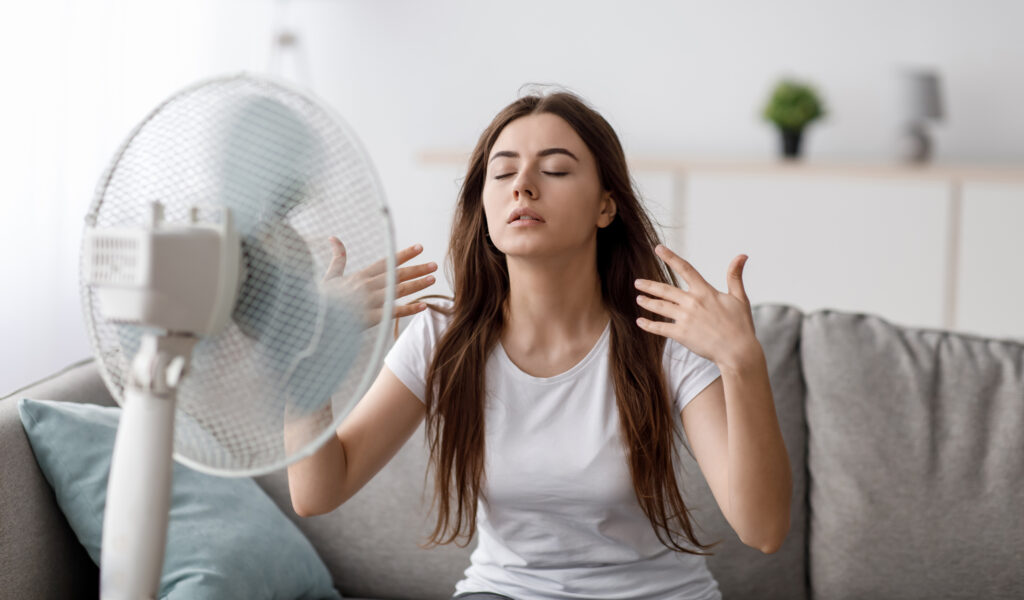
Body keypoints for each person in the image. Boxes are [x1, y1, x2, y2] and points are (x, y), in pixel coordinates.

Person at [286, 89, 792, 600]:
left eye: (554, 170)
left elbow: (763, 529)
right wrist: (307, 352)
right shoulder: (442, 338)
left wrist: (741, 361)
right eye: (503, 173)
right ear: (483, 205)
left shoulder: (664, 339)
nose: (522, 187)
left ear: (605, 206)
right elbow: (318, 491)